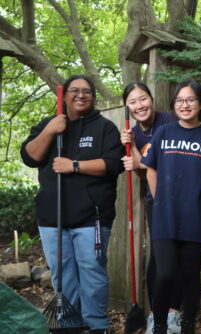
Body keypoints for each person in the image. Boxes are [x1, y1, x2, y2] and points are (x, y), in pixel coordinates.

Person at [21, 74, 125, 334]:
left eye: (87, 91)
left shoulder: (104, 128)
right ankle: (69, 324)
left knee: (91, 273)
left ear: (92, 96)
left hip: (93, 217)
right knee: (62, 273)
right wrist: (50, 130)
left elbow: (113, 165)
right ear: (64, 95)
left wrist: (73, 166)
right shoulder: (49, 124)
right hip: (52, 218)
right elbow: (30, 157)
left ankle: (96, 326)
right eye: (75, 90)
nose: (81, 95)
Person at [141, 79, 201, 334]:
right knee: (165, 272)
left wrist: (199, 201)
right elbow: (151, 170)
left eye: (191, 99)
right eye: (180, 100)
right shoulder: (164, 133)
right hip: (165, 216)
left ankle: (187, 325)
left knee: (190, 274)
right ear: (173, 105)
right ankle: (159, 325)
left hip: (196, 215)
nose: (185, 104)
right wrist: (161, 202)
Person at [120, 82, 181, 334]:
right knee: (158, 256)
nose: (139, 105)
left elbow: (173, 159)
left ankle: (174, 313)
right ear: (127, 107)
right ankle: (157, 313)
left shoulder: (169, 121)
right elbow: (139, 173)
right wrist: (132, 145)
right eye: (133, 102)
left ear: (152, 99)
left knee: (177, 255)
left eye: (143, 99)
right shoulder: (133, 132)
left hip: (180, 196)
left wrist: (139, 161)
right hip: (155, 199)